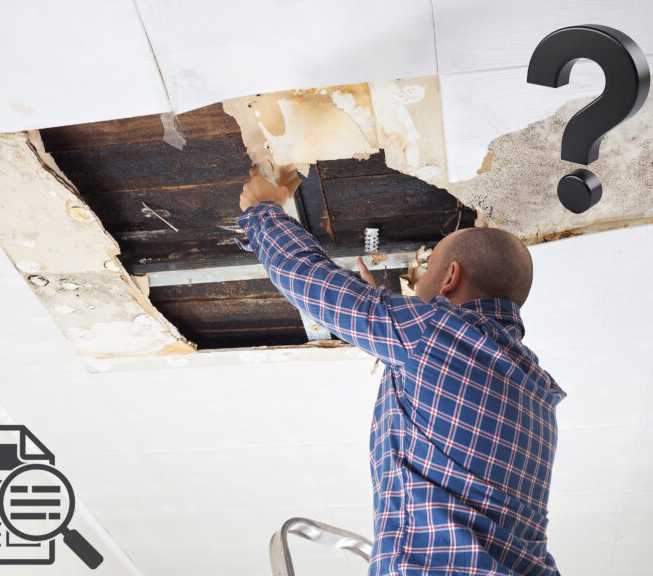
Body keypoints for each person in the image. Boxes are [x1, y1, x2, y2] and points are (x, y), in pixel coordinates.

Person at [239, 166, 566, 576]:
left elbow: (306, 278)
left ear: (450, 277)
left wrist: (263, 209)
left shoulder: (431, 337)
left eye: (427, 270)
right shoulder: (534, 391)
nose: (419, 280)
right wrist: (397, 332)